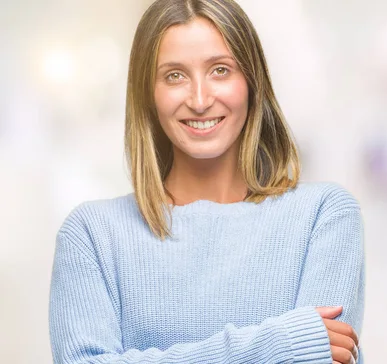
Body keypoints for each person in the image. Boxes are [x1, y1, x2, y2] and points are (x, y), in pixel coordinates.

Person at [48, 0, 365, 363]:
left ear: (251, 81)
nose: (200, 100)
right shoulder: (91, 235)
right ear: (147, 95)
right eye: (175, 76)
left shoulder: (323, 217)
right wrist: (276, 345)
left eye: (220, 70)